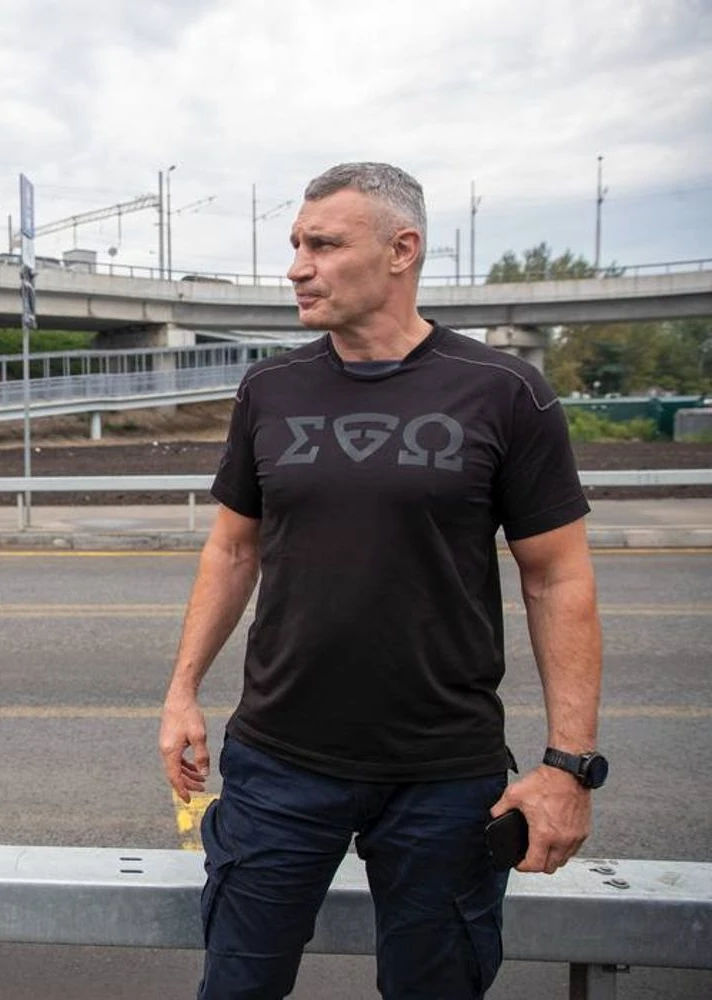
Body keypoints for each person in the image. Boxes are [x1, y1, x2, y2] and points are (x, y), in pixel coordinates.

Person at [158, 162, 605, 1000]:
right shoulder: (270, 389)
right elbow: (232, 551)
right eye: (296, 244)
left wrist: (568, 767)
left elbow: (558, 579)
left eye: (324, 245)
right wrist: (182, 692)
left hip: (445, 776)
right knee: (238, 988)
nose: (297, 267)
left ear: (402, 250)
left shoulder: (505, 392)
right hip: (279, 765)